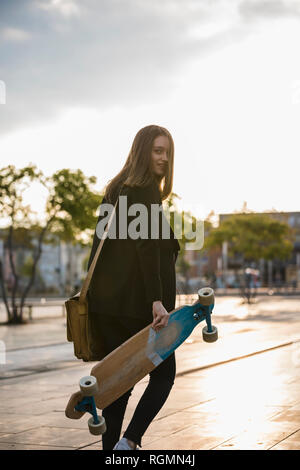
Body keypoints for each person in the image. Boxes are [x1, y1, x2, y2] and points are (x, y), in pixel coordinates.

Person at [87, 124, 180, 450]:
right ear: (143, 152)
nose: (164, 158)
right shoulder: (145, 191)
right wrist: (156, 300)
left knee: (120, 384)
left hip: (111, 305)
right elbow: (147, 248)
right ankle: (129, 442)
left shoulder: (116, 189)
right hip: (136, 305)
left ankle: (113, 451)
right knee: (164, 373)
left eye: (167, 151)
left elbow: (98, 244)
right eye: (158, 150)